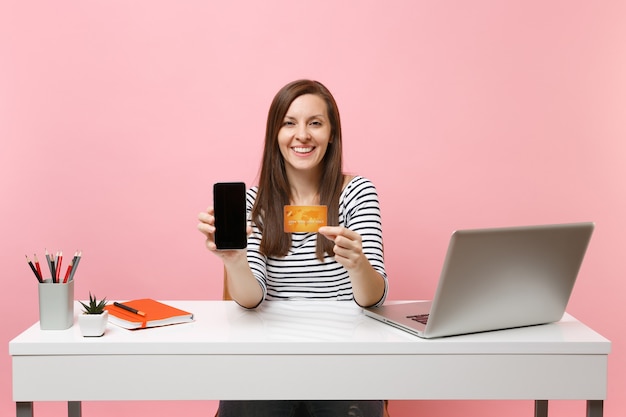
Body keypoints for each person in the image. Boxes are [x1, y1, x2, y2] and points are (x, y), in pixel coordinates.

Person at [197, 79, 388, 417]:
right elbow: (251, 297)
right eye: (290, 123)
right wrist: (234, 261)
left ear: (332, 134)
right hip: (268, 358)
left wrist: (358, 264)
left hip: (343, 358)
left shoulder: (357, 192)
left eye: (315, 123)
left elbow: (373, 298)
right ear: (275, 135)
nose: (303, 134)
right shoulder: (253, 202)